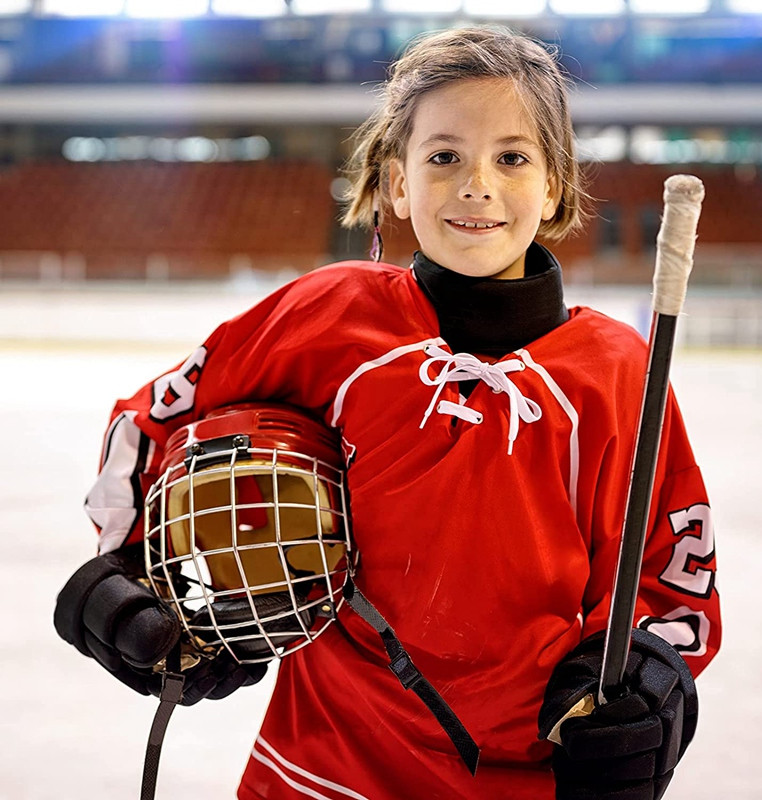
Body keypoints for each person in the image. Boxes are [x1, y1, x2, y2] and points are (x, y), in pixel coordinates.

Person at [54, 25, 721, 800]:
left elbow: (674, 578)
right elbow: (154, 421)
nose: (477, 183)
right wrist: (129, 569)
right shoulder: (328, 317)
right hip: (319, 766)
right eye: (443, 157)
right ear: (397, 183)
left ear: (556, 189)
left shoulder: (620, 374)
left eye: (512, 157)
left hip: (523, 780)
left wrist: (648, 674)